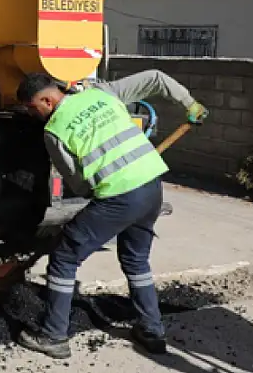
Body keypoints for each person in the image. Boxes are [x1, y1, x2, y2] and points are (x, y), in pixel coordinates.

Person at [13, 69, 208, 359]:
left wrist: (96, 199)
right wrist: (189, 103)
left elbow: (78, 183)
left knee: (64, 258)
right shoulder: (101, 93)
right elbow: (155, 77)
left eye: (32, 108)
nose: (33, 115)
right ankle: (152, 330)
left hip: (120, 197)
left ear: (47, 101)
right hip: (151, 187)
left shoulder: (54, 131)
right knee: (135, 259)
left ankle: (53, 335)